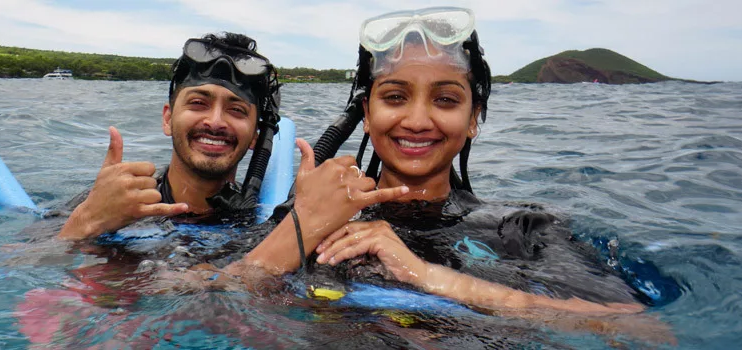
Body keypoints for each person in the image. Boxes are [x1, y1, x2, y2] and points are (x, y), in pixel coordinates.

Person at [225, 7, 673, 328]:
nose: (418, 120)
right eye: (395, 96)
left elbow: (640, 327)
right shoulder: (309, 217)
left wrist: (423, 274)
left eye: (445, 99)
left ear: (473, 117)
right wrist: (301, 226)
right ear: (367, 113)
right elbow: (205, 294)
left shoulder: (521, 227)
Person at [53, 32, 282, 241]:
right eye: (198, 103)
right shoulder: (106, 203)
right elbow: (35, 260)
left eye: (236, 110)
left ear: (256, 136)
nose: (215, 122)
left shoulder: (267, 224)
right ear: (168, 119)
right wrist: (87, 222)